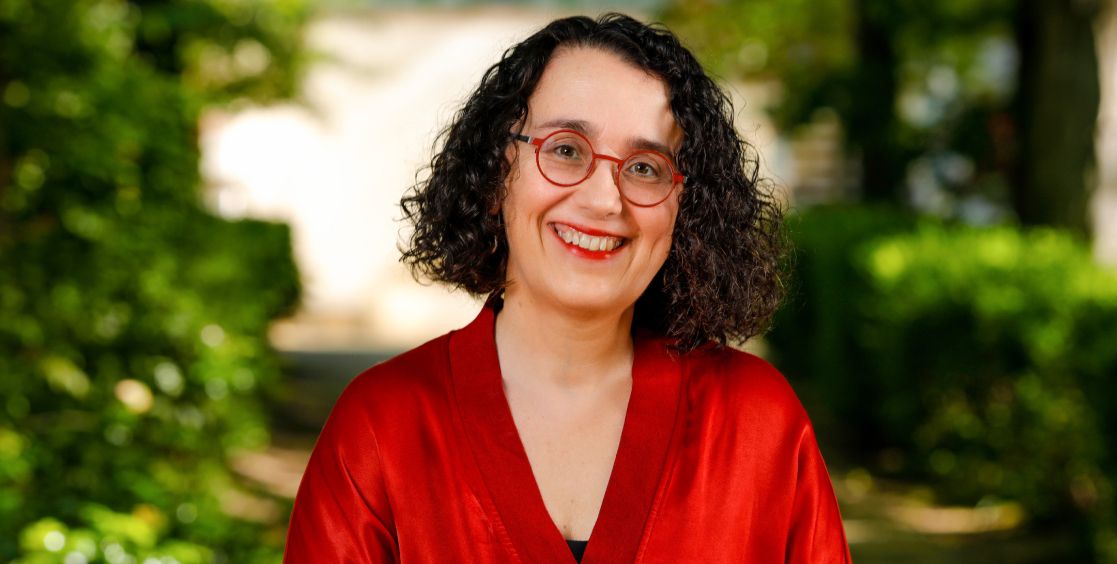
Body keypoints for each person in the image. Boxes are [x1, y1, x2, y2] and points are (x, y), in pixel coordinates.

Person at [284, 13, 851, 563]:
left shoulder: (759, 423)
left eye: (646, 167)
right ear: (496, 173)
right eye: (565, 150)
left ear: (687, 209)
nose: (605, 200)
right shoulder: (381, 426)